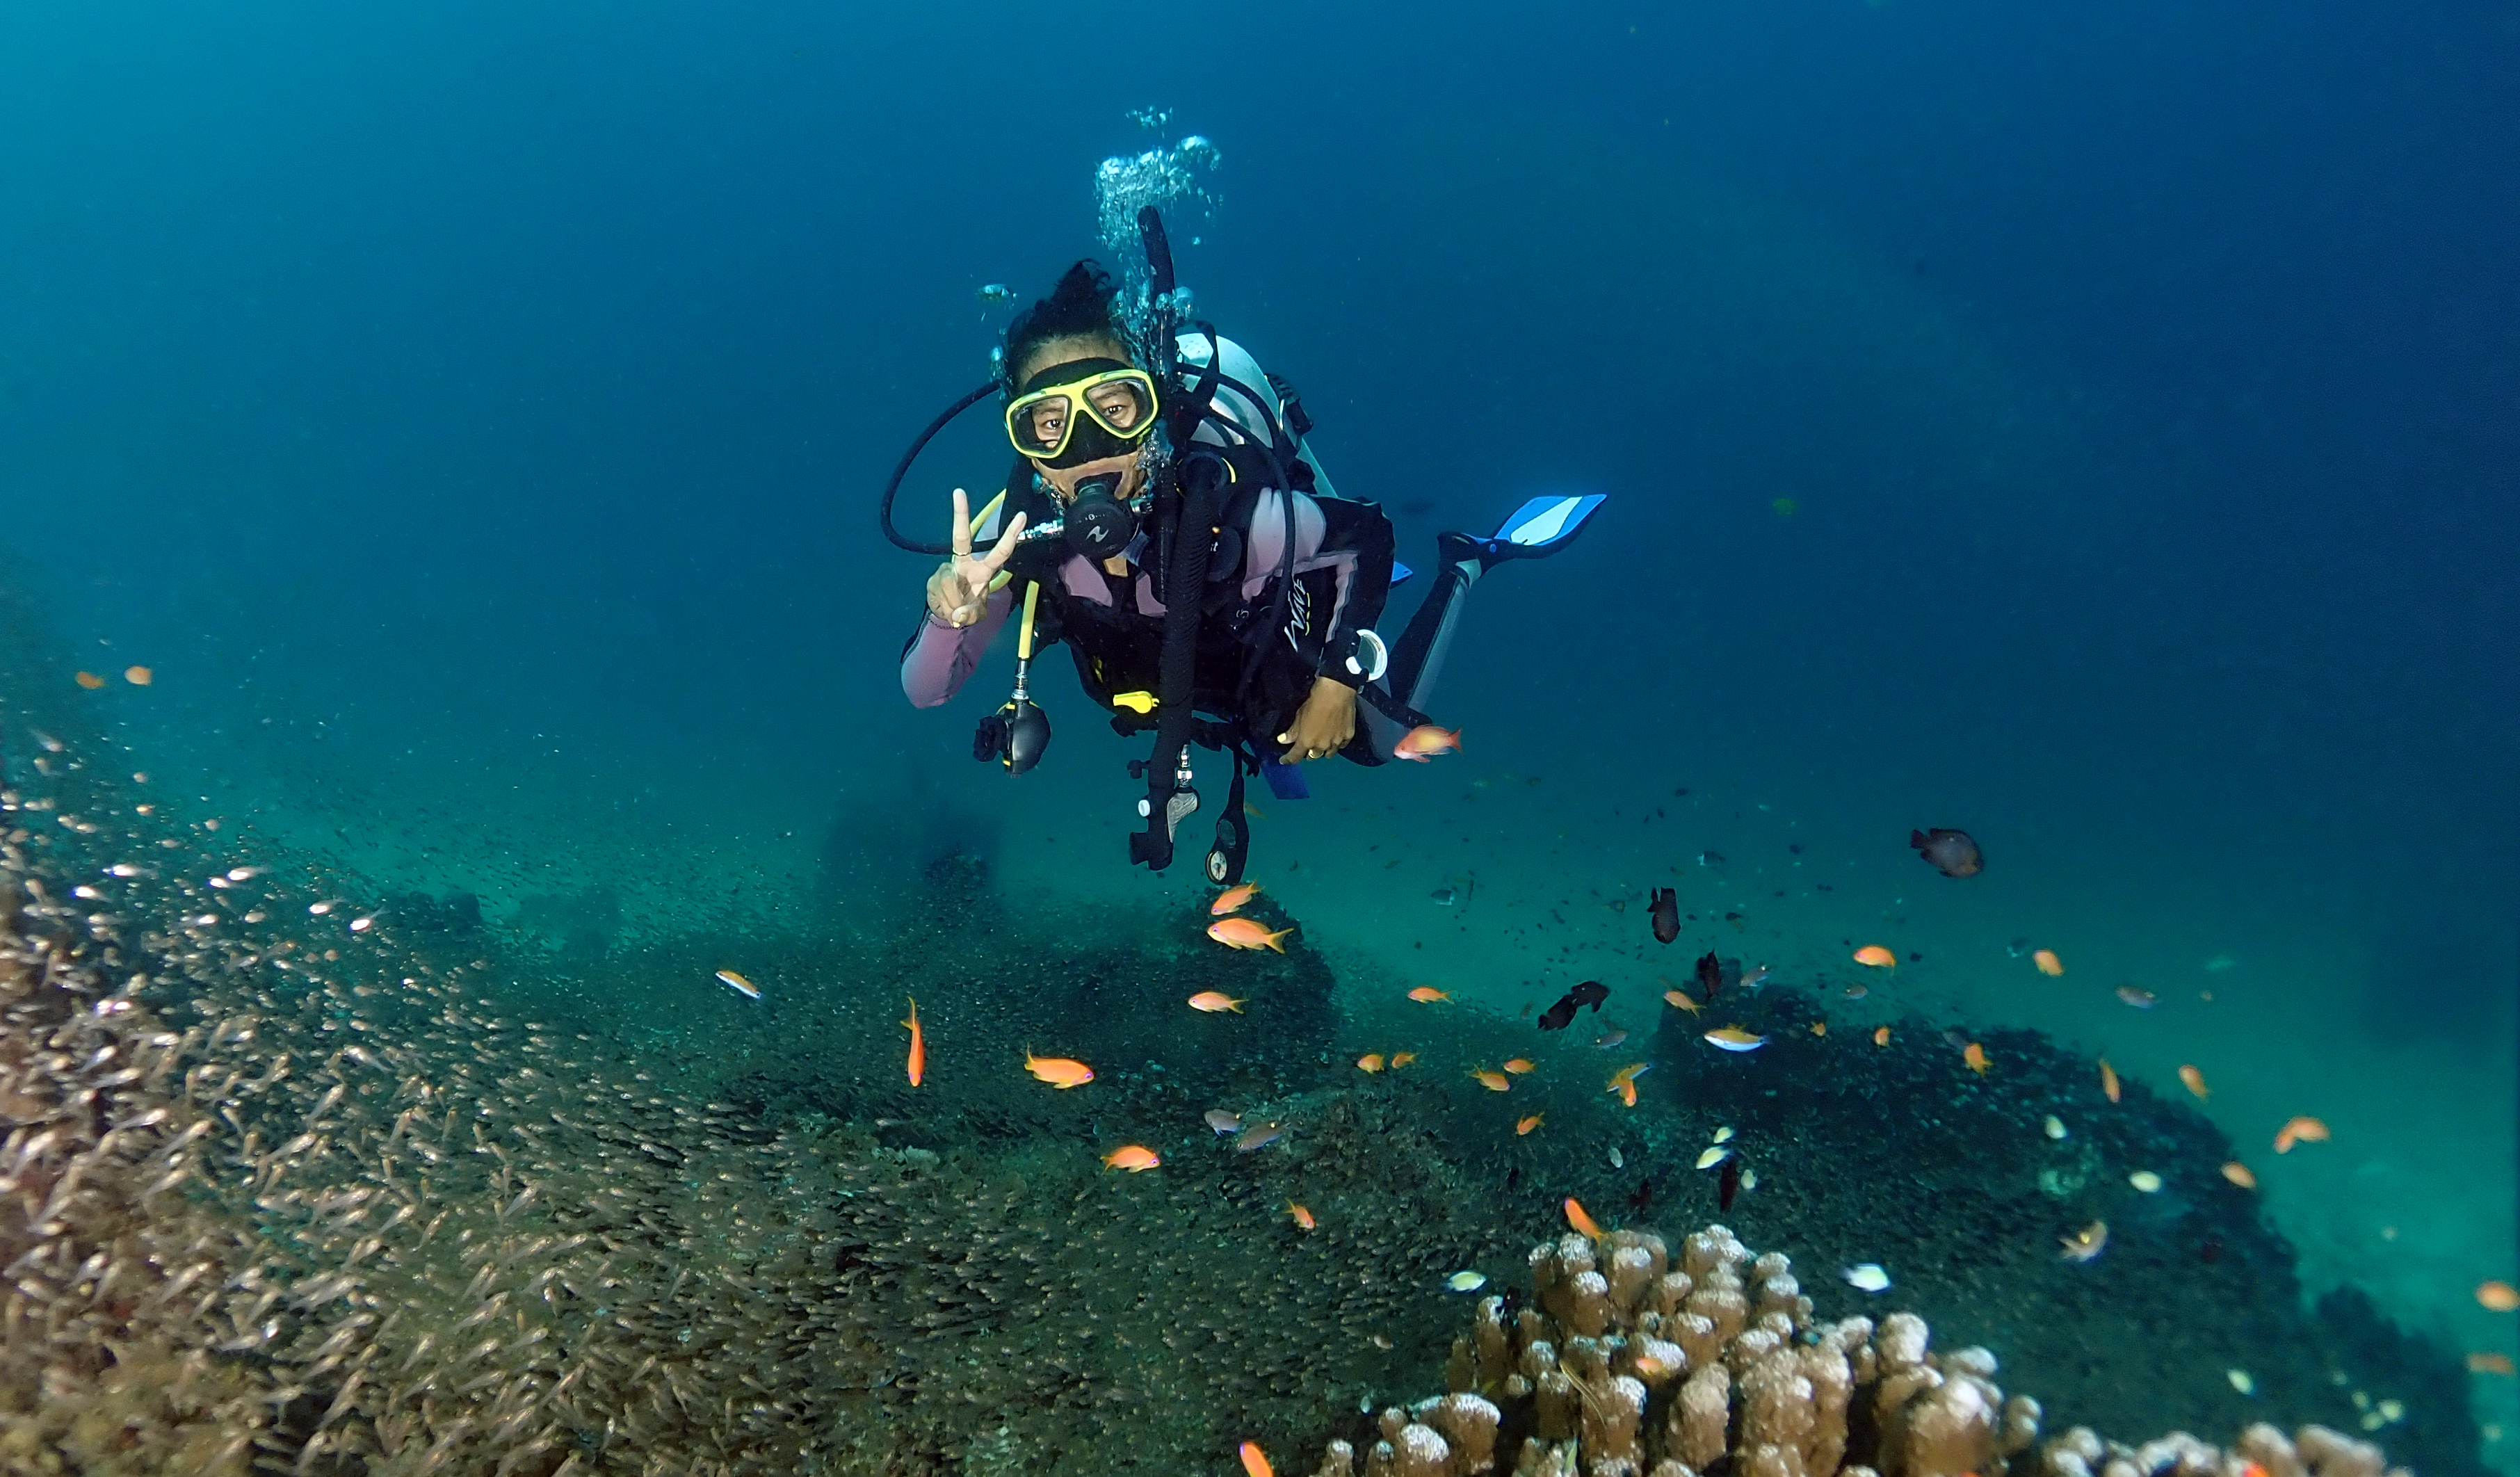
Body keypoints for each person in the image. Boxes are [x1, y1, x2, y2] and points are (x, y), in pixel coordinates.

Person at [896, 257, 1597, 879]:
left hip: (1268, 631)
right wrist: (947, 614)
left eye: (1114, 408)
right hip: (1175, 681)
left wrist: (1334, 681)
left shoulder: (1232, 517)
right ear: (1023, 439)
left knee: (1385, 744)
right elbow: (927, 692)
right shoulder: (1010, 544)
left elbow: (1367, 534)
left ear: (1150, 410)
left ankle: (1467, 564)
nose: (1086, 447)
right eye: (1048, 423)